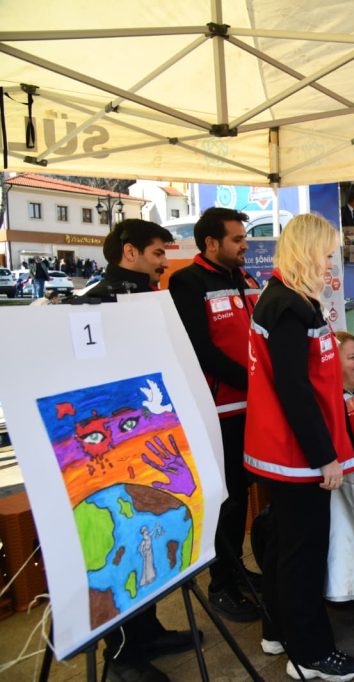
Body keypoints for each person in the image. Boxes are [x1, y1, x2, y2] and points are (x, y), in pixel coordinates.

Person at [243, 213, 354, 681]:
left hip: (284, 450)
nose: (330, 261)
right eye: (327, 252)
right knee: (304, 555)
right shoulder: (289, 306)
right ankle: (311, 655)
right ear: (307, 252)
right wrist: (324, 457)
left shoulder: (283, 299)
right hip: (294, 455)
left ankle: (278, 632)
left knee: (285, 549)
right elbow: (294, 390)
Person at [79, 220, 195, 682]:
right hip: (112, 454)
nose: (165, 261)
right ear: (129, 252)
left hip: (152, 440)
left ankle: (147, 631)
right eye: (156, 253)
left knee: (152, 533)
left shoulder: (152, 297)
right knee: (124, 542)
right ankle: (122, 654)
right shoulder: (93, 303)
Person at [168, 207, 262, 623]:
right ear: (210, 243)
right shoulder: (187, 282)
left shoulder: (246, 279)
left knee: (243, 494)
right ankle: (221, 584)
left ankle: (237, 571)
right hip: (219, 410)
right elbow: (201, 351)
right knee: (226, 499)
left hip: (255, 407)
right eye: (237, 239)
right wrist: (255, 381)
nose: (245, 245)